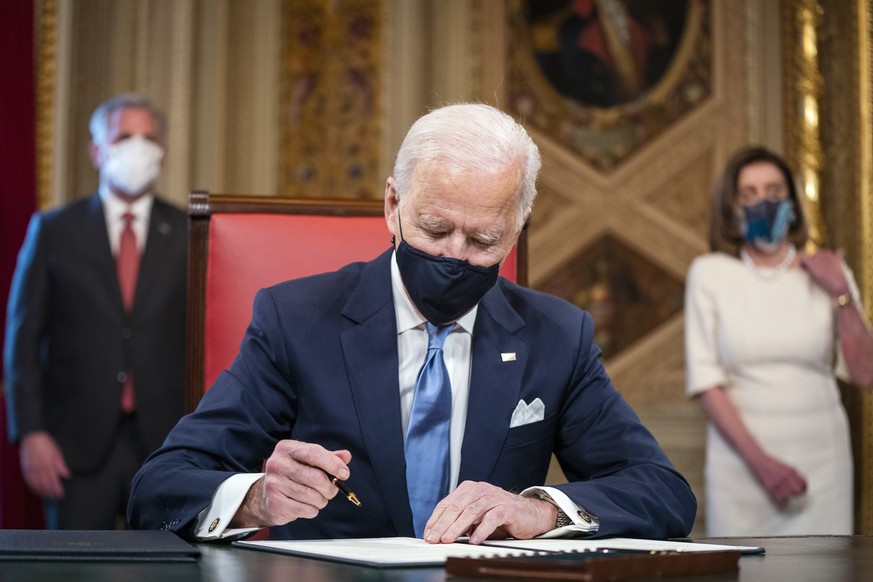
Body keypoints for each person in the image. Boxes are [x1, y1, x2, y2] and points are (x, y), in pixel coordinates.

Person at [127, 103, 695, 543]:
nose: (453, 255)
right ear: (393, 205)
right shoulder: (296, 321)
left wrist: (541, 510)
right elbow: (161, 486)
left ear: (515, 232)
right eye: (434, 228)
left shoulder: (557, 336)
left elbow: (663, 492)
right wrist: (257, 498)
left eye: (482, 240)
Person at [3, 93, 188, 529]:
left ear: (162, 149)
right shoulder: (54, 230)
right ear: (97, 150)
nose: (138, 148)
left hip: (167, 445)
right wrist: (30, 433)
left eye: (148, 137)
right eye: (124, 136)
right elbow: (23, 340)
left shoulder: (188, 233)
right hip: (74, 448)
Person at [685, 146, 873, 537]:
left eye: (773, 191)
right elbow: (706, 382)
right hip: (741, 465)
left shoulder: (828, 273)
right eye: (748, 194)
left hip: (822, 461)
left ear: (792, 201)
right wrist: (764, 466)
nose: (762, 203)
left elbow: (865, 372)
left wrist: (841, 292)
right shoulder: (710, 273)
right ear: (732, 207)